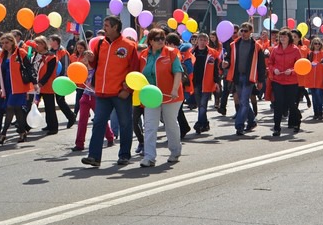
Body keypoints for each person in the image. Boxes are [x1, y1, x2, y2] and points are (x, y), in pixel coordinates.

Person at [82, 15, 140, 168]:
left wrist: (127, 89)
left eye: (107, 25)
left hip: (121, 93)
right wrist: (91, 58)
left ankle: (124, 155)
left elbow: (135, 70)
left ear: (115, 27)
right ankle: (94, 156)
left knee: (125, 124)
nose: (104, 28)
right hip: (102, 93)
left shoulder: (129, 45)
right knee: (98, 123)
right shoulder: (100, 44)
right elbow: (96, 65)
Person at [138, 28, 183, 167]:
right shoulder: (143, 55)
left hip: (170, 96)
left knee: (170, 124)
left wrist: (175, 89)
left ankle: (175, 151)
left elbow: (178, 72)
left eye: (163, 39)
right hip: (151, 96)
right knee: (150, 126)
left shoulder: (171, 53)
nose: (161, 41)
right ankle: (149, 156)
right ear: (150, 41)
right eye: (157, 39)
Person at [71, 50, 115, 152]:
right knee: (82, 121)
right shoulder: (83, 70)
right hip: (85, 96)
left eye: (87, 57)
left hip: (96, 98)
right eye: (84, 57)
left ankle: (110, 137)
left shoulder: (98, 70)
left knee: (100, 120)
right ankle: (79, 144)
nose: (85, 60)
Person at [227, 22, 265, 136]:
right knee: (243, 101)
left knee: (243, 101)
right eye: (241, 31)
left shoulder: (257, 46)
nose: (243, 33)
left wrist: (261, 80)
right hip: (237, 76)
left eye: (245, 31)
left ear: (250, 32)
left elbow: (261, 65)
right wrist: (225, 63)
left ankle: (239, 125)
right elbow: (228, 58)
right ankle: (252, 121)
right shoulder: (234, 44)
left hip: (250, 77)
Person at [0, 33, 33, 144]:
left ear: (13, 42)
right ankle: (22, 133)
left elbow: (29, 69)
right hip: (7, 85)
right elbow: (0, 73)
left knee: (9, 108)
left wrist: (34, 83)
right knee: (17, 110)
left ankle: (3, 134)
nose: (4, 45)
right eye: (2, 43)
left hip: (18, 86)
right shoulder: (2, 55)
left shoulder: (21, 53)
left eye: (7, 42)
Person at [267, 29, 301, 136]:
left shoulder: (295, 50)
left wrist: (291, 71)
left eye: (284, 37)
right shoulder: (275, 49)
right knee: (278, 104)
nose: (282, 39)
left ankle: (297, 120)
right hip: (278, 80)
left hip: (291, 81)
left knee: (291, 103)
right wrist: (273, 69)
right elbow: (270, 63)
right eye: (281, 37)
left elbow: (300, 66)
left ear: (289, 38)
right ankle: (277, 127)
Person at [190, 33, 221, 135]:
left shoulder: (213, 53)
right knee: (200, 105)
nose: (202, 42)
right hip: (196, 82)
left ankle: (199, 124)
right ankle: (205, 123)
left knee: (203, 104)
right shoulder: (192, 52)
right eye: (200, 40)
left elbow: (216, 69)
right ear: (197, 41)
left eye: (204, 40)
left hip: (207, 82)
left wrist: (217, 82)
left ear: (207, 42)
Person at [306, 37, 323, 120]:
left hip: (320, 78)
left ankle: (320, 112)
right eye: (315, 43)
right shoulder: (310, 53)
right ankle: (315, 112)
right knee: (314, 97)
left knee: (319, 96)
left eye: (319, 43)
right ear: (312, 44)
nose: (317, 45)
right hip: (311, 78)